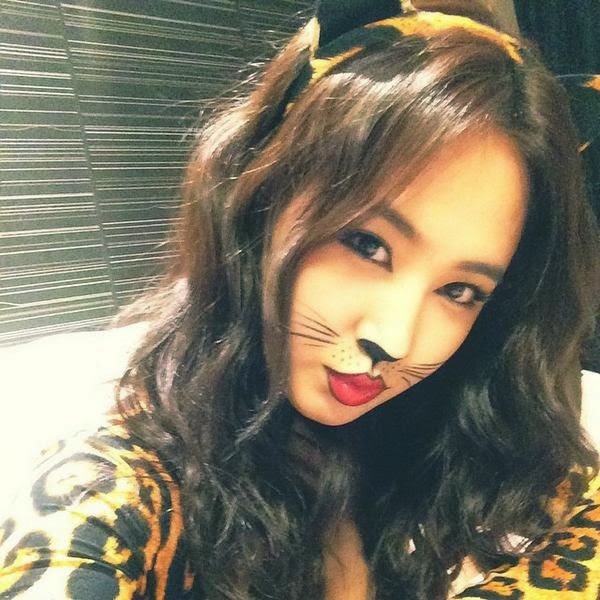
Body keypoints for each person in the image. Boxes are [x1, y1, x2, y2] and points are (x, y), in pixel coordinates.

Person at [1, 1, 599, 598]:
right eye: (366, 244)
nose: (394, 340)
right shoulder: (114, 489)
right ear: (258, 195)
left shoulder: (455, 436)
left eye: (459, 291)